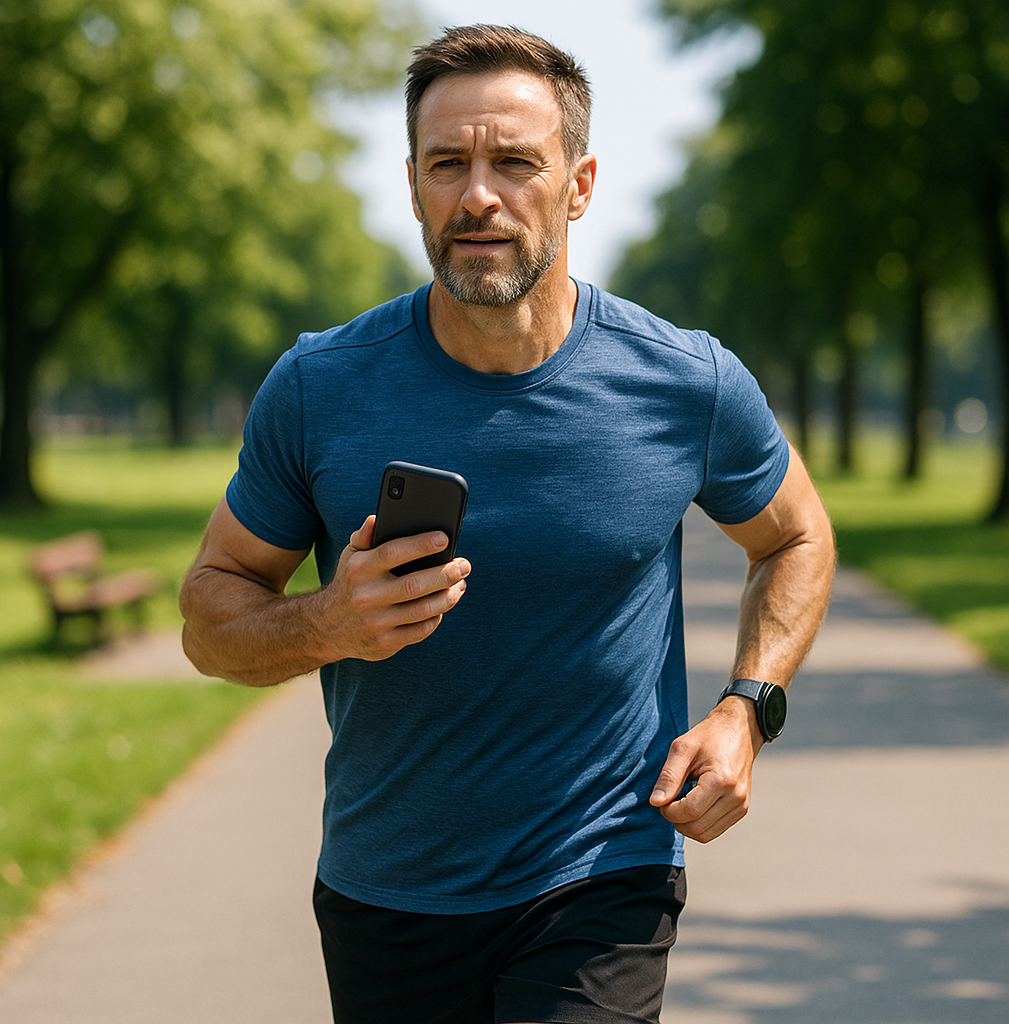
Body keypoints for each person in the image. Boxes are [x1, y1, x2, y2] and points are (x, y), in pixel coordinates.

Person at [179, 24, 835, 1024]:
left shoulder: (684, 380)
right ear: (412, 186)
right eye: (448, 164)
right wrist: (329, 624)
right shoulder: (319, 387)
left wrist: (748, 709)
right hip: (386, 887)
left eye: (514, 162)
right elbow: (208, 614)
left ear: (577, 184)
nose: (478, 194)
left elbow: (795, 537)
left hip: (601, 876)